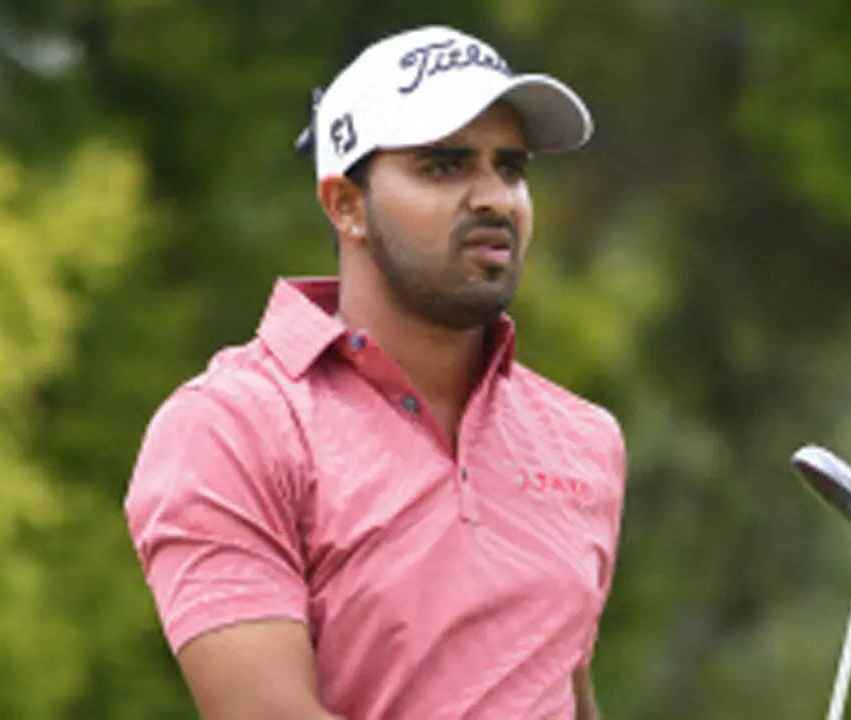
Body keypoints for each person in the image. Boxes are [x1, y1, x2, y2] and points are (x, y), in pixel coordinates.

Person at [124, 25, 625, 720]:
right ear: (346, 206)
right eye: (444, 166)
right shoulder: (231, 425)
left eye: (511, 167)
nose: (496, 198)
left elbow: (562, 692)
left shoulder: (584, 438)